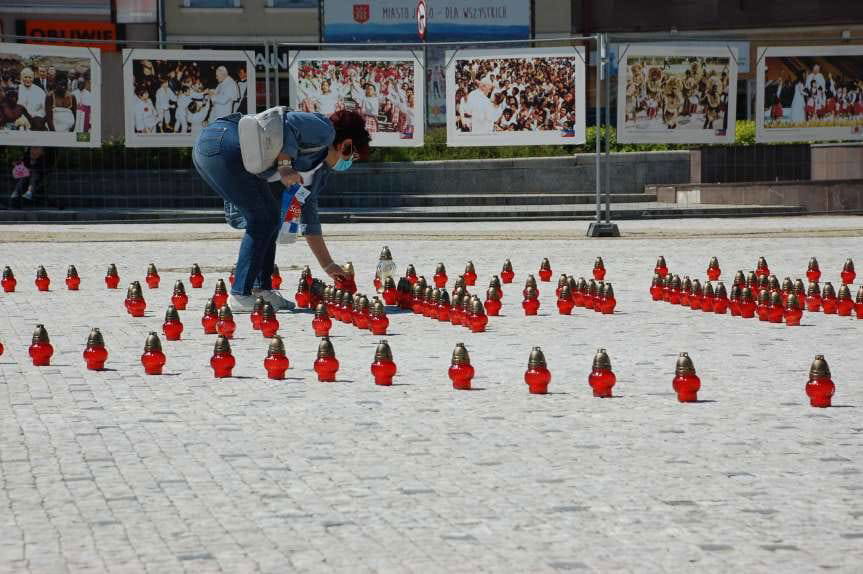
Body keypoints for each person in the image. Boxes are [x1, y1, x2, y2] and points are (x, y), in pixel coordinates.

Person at [192, 109, 370, 312]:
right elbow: (290, 124)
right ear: (346, 145)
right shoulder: (324, 129)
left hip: (221, 152)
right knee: (264, 218)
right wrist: (285, 165)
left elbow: (309, 220)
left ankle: (261, 289)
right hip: (223, 141)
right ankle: (240, 294)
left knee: (270, 218)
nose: (349, 163)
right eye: (353, 156)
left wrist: (328, 265)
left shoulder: (317, 172)